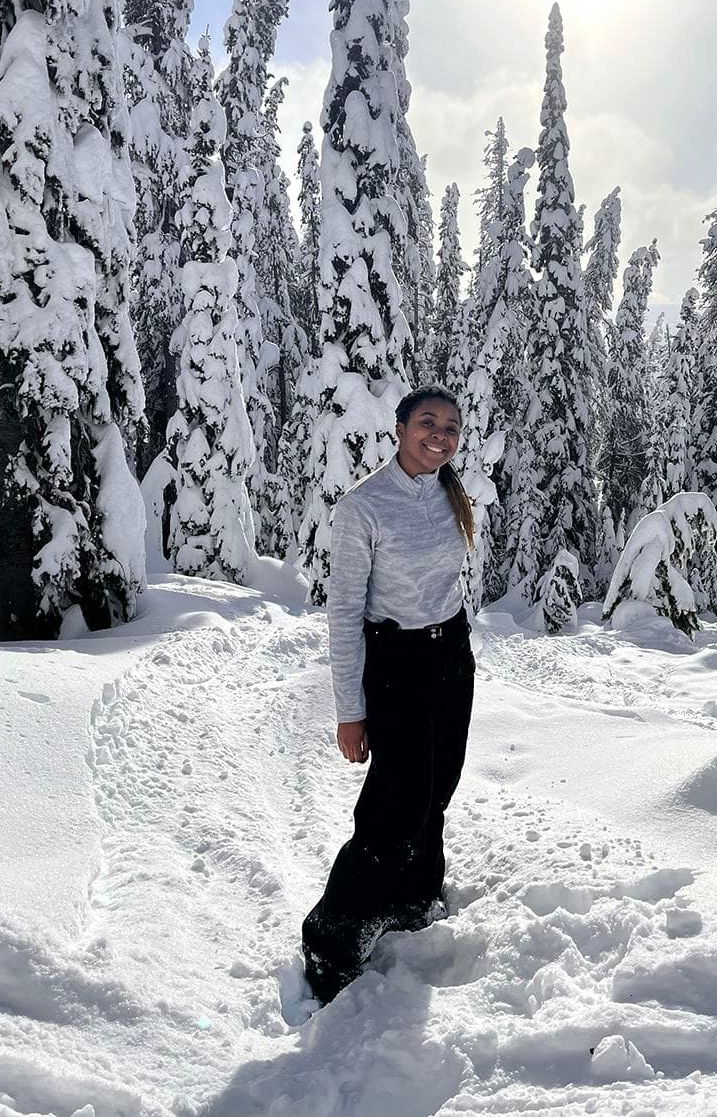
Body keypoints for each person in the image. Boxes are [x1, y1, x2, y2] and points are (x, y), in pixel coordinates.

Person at [301, 384, 478, 1006]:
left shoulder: (451, 494)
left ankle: (413, 896)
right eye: (428, 422)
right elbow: (344, 611)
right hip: (396, 663)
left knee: (439, 787)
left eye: (451, 427)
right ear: (400, 428)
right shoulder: (364, 507)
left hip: (450, 655)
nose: (440, 434)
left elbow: (448, 581)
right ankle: (333, 939)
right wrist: (351, 711)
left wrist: (455, 640)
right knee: (394, 806)